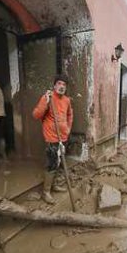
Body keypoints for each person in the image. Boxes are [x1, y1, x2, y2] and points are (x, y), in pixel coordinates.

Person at [32, 75, 73, 204]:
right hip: (52, 137)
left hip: (63, 137)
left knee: (59, 161)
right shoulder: (48, 98)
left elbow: (70, 115)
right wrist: (46, 101)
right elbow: (36, 115)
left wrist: (67, 129)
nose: (61, 86)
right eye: (59, 84)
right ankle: (46, 192)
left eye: (64, 85)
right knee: (51, 164)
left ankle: (54, 185)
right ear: (54, 86)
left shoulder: (66, 100)